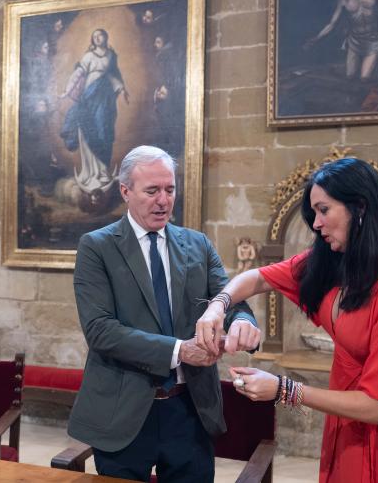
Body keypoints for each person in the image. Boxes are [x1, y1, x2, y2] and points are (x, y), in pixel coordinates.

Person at [196, 158, 378, 482]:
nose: (316, 224)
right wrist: (216, 307)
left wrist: (283, 389)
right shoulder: (337, 260)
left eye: (324, 210)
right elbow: (257, 278)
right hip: (349, 423)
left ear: (359, 207)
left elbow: (377, 407)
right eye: (314, 213)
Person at [69, 145, 261, 482]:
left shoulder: (197, 244)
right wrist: (179, 351)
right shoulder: (97, 247)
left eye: (170, 189)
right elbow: (100, 330)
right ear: (125, 191)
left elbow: (226, 297)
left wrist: (243, 321)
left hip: (190, 409)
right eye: (152, 191)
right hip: (124, 411)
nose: (163, 200)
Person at [60, 28, 129, 196]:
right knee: (88, 128)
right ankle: (90, 173)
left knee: (103, 130)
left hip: (105, 100)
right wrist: (67, 91)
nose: (98, 38)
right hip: (89, 97)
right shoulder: (88, 56)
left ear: (106, 36)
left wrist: (121, 89)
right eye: (95, 36)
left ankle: (103, 172)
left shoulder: (111, 56)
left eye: (101, 35)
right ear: (92, 40)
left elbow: (113, 76)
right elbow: (78, 74)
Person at [303, 0, 378, 81]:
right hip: (355, 40)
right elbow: (332, 24)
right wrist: (317, 38)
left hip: (375, 40)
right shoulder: (343, 1)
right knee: (349, 76)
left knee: (364, 78)